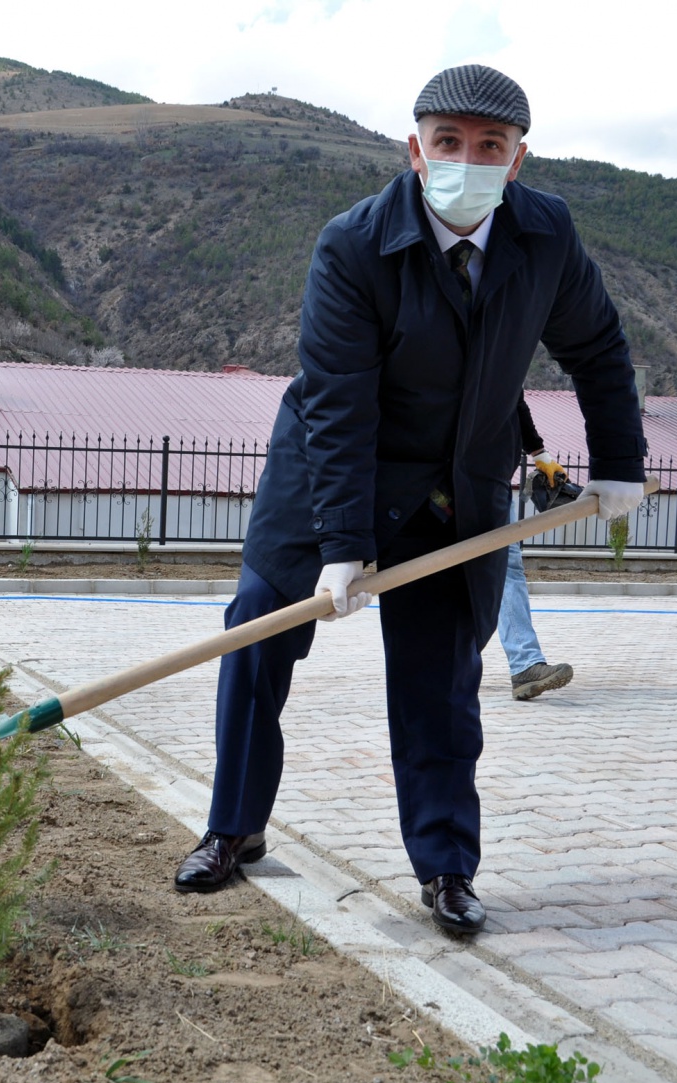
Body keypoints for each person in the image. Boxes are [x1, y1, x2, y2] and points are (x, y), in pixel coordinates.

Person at [172, 65, 647, 936]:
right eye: (448, 143)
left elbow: (599, 347)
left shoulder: (543, 235)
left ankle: (445, 868)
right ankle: (232, 828)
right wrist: (341, 545)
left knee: (439, 680)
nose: (468, 159)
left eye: (489, 147)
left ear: (517, 159)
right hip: (324, 474)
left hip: (453, 491)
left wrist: (619, 462)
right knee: (259, 638)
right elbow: (339, 402)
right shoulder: (352, 244)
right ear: (414, 149)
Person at [501, 396, 574, 701]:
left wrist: (540, 454)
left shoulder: (499, 352)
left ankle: (526, 665)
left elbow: (514, 400)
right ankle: (444, 661)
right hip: (437, 480)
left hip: (489, 480)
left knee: (506, 569)